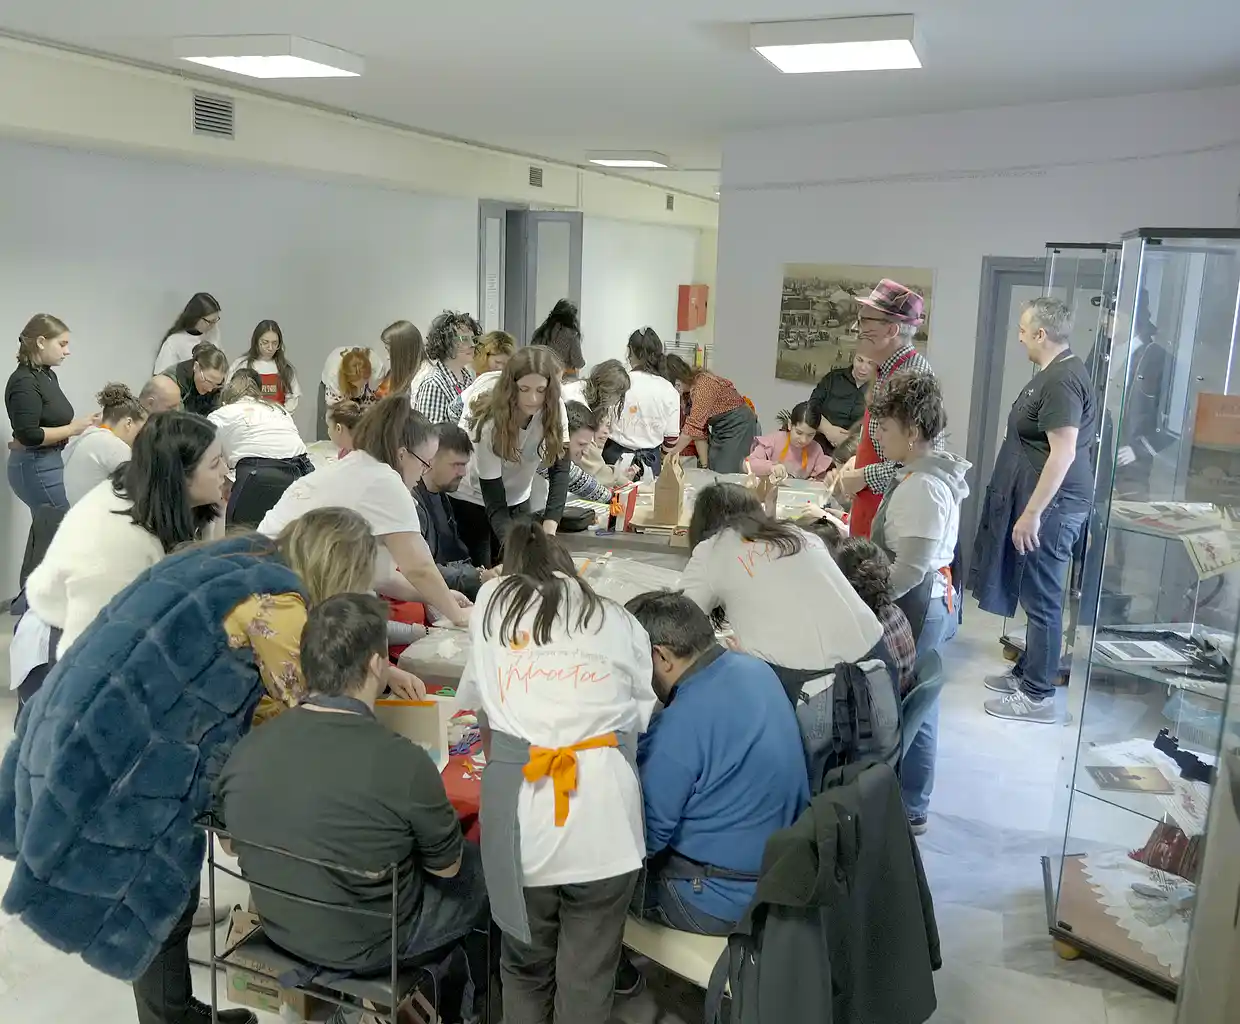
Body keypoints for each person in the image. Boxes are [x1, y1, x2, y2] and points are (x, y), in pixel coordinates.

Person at [0, 508, 415, 1024]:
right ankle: (169, 1018)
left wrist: (381, 672)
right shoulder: (281, 607)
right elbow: (312, 718)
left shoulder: (247, 558)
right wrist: (371, 692)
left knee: (170, 893)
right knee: (154, 892)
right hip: (127, 749)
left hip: (85, 708)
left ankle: (178, 1010)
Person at [216, 592, 487, 1022]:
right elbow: (448, 869)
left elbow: (230, 846)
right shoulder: (403, 761)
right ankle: (476, 1006)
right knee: (484, 869)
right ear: (378, 665)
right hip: (376, 945)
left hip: (279, 927)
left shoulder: (245, 750)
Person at [456, 522, 657, 1024]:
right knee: (589, 974)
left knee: (525, 968)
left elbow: (480, 712)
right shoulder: (616, 618)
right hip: (607, 819)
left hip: (524, 821)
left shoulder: (492, 605)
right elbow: (636, 722)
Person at [625, 590, 808, 939]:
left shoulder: (678, 727)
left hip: (716, 898)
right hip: (779, 875)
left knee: (585, 889)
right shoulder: (756, 669)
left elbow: (641, 840)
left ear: (660, 657)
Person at [972, 297, 1097, 725]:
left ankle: (1038, 695)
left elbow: (1063, 454)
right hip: (1046, 504)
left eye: (1024, 330)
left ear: (1041, 333)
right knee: (1032, 591)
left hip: (1055, 507)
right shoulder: (1053, 373)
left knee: (1042, 598)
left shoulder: (1062, 380)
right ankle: (1029, 671)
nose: (1020, 337)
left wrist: (1032, 513)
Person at [258, 394, 472, 627]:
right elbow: (419, 568)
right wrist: (458, 615)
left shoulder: (359, 465)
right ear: (402, 455)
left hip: (266, 578)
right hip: (283, 592)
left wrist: (442, 597)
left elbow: (381, 576)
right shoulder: (385, 481)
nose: (423, 473)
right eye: (424, 463)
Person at [25, 410, 228, 653]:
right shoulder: (121, 539)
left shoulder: (188, 506)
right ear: (179, 477)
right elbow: (92, 649)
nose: (226, 470)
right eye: (215, 464)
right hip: (69, 639)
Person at [680, 482, 883, 700]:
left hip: (819, 689)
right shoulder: (798, 533)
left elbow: (678, 624)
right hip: (878, 667)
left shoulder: (712, 550)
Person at [869, 370, 969, 653]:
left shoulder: (923, 487)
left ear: (912, 432)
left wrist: (864, 602)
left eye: (884, 428)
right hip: (918, 602)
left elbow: (909, 572)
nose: (877, 436)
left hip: (917, 607)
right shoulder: (919, 478)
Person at [831, 279, 939, 539]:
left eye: (865, 321)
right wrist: (857, 460)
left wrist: (865, 475)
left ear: (891, 329)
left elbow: (922, 462)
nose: (856, 328)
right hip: (870, 512)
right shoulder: (885, 370)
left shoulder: (912, 376)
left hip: (891, 518)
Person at [451, 346, 570, 567]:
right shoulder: (489, 422)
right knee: (486, 568)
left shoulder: (555, 408)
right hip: (474, 498)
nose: (533, 398)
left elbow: (560, 469)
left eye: (541, 390)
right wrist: (512, 548)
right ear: (511, 387)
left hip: (518, 496)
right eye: (524, 389)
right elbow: (493, 497)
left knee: (524, 563)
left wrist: (550, 533)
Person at [6, 314, 99, 514]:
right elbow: (29, 435)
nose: (67, 351)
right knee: (59, 524)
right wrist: (72, 429)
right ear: (41, 342)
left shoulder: (47, 375)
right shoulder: (24, 381)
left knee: (48, 526)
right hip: (35, 464)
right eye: (62, 344)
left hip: (48, 461)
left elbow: (50, 420)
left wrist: (84, 425)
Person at [209, 373, 313, 527]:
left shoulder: (220, 415)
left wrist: (224, 483)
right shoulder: (278, 409)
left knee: (241, 534)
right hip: (304, 470)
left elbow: (205, 458)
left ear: (226, 399)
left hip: (262, 476)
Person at [414, 423, 498, 601]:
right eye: (456, 465)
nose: (463, 472)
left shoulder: (442, 496)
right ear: (430, 460)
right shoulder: (413, 505)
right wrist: (478, 577)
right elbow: (420, 569)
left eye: (465, 464)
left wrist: (481, 573)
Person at [663, 355, 759, 474]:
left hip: (739, 425)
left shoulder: (703, 385)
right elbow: (698, 433)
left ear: (677, 383)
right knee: (713, 467)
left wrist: (669, 455)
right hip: (721, 427)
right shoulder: (688, 394)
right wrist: (705, 467)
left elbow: (691, 430)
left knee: (726, 471)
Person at [605, 328, 680, 478]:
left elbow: (603, 424)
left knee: (614, 493)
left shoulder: (618, 382)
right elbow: (672, 438)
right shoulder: (668, 389)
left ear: (631, 351)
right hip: (651, 462)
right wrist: (661, 455)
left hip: (615, 459)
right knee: (648, 493)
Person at [63, 382, 148, 505]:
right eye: (140, 431)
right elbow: (143, 487)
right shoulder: (113, 445)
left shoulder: (87, 437)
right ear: (128, 423)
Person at [564, 358, 633, 487]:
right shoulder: (576, 401)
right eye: (619, 394)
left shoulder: (579, 390)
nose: (617, 401)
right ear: (609, 391)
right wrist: (625, 483)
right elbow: (592, 462)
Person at [414, 310, 480, 423]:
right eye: (464, 339)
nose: (472, 345)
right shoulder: (433, 384)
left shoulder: (467, 377)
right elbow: (432, 432)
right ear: (445, 343)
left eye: (473, 339)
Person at [808, 351, 875, 458]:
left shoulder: (880, 388)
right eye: (860, 360)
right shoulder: (833, 378)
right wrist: (828, 430)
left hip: (854, 453)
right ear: (853, 357)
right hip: (819, 446)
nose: (863, 368)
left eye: (870, 363)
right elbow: (811, 407)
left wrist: (849, 439)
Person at [746, 401, 833, 482]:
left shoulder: (816, 449)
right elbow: (748, 464)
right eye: (799, 433)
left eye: (810, 435)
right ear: (790, 425)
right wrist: (771, 467)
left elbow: (822, 479)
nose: (803, 440)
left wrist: (815, 482)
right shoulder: (773, 440)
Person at [227, 319, 301, 409]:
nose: (270, 348)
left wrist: (282, 414)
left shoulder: (285, 369)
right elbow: (230, 394)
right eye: (265, 342)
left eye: (275, 343)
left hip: (277, 416)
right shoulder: (241, 365)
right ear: (256, 341)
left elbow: (293, 398)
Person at [154, 292, 222, 374]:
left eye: (216, 320)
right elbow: (161, 376)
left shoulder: (214, 333)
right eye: (210, 321)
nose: (213, 325)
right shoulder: (174, 342)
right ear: (195, 318)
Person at [165, 341, 229, 417]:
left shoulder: (216, 387)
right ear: (196, 367)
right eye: (208, 381)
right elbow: (177, 420)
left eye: (216, 384)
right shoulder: (173, 382)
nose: (210, 389)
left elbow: (214, 415)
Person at [530, 299, 585, 378]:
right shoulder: (572, 335)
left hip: (543, 378)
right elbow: (578, 362)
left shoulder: (541, 331)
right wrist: (583, 363)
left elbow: (532, 355)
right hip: (565, 379)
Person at [321, 344, 388, 407]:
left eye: (366, 378)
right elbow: (335, 411)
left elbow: (378, 396)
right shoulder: (335, 377)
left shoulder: (377, 367)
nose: (365, 382)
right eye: (362, 382)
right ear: (349, 380)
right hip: (336, 388)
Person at [378, 319, 425, 397]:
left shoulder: (424, 383)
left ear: (403, 352)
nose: (387, 357)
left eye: (389, 351)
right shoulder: (400, 376)